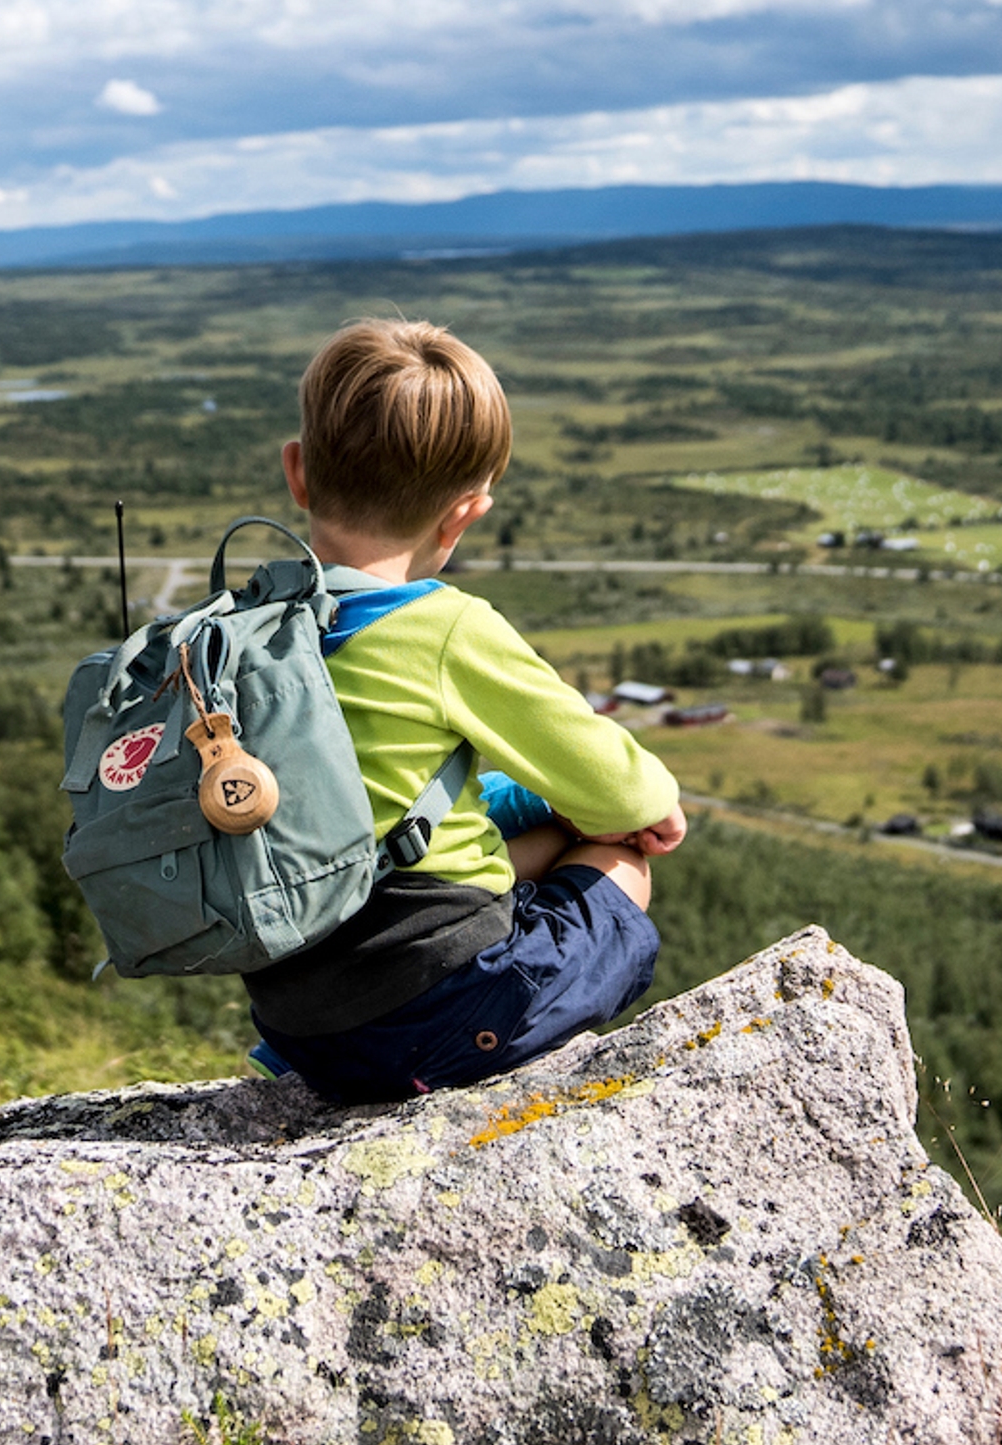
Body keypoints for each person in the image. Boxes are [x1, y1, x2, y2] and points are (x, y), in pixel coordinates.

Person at [244, 318, 685, 1102]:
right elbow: (632, 798)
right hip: (440, 1022)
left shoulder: (244, 631)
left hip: (297, 1026)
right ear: (465, 513)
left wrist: (554, 810)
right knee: (620, 861)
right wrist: (632, 812)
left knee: (544, 827)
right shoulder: (448, 630)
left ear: (298, 473)